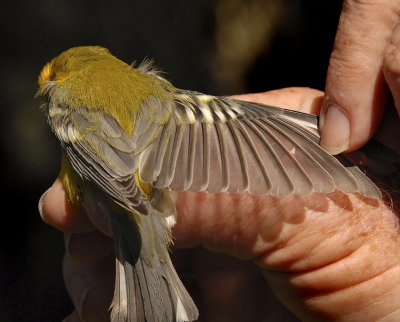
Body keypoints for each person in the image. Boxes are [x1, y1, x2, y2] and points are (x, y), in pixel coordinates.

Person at [39, 2, 400, 321]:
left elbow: (91, 153)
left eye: (51, 80)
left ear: (64, 74)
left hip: (108, 187)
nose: (47, 90)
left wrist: (119, 189)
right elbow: (230, 122)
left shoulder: (64, 94)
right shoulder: (152, 91)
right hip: (137, 193)